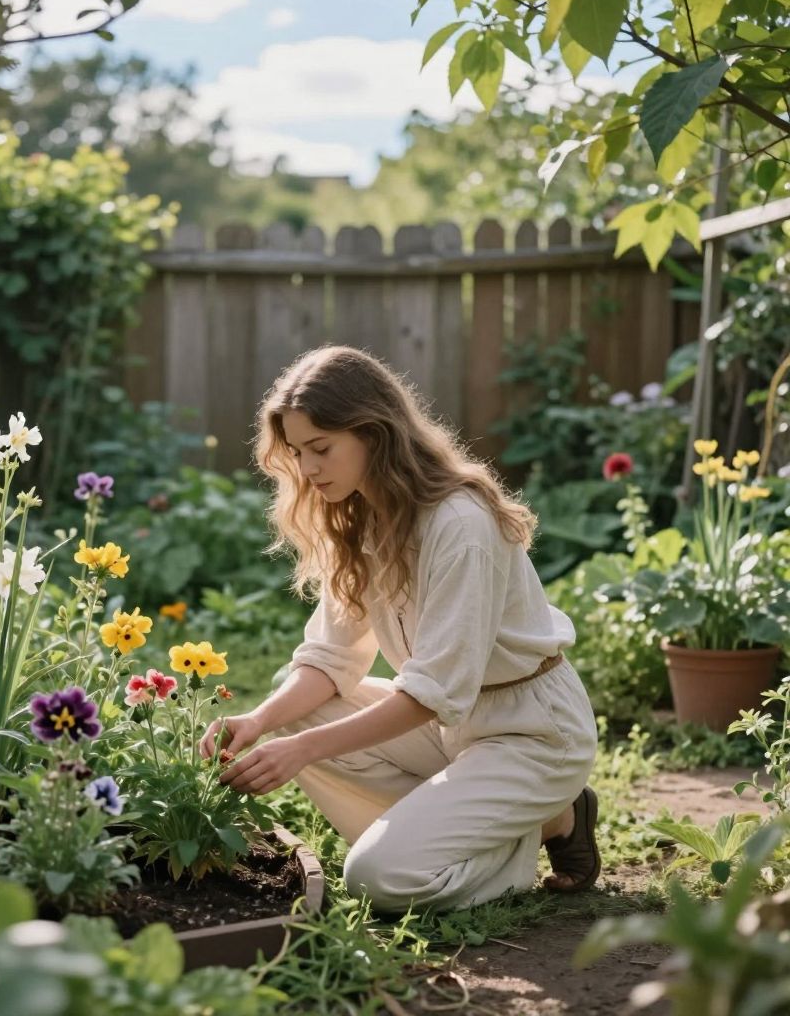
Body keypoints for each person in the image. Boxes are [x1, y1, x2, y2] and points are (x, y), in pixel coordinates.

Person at [198, 345, 600, 914]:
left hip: (531, 733)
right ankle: (503, 818)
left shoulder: (460, 525)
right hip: (455, 731)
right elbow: (330, 658)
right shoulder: (366, 517)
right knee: (301, 701)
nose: (308, 471)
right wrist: (260, 720)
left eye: (321, 449)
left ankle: (527, 832)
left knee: (377, 879)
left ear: (374, 433)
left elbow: (432, 692)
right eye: (297, 452)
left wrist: (300, 749)